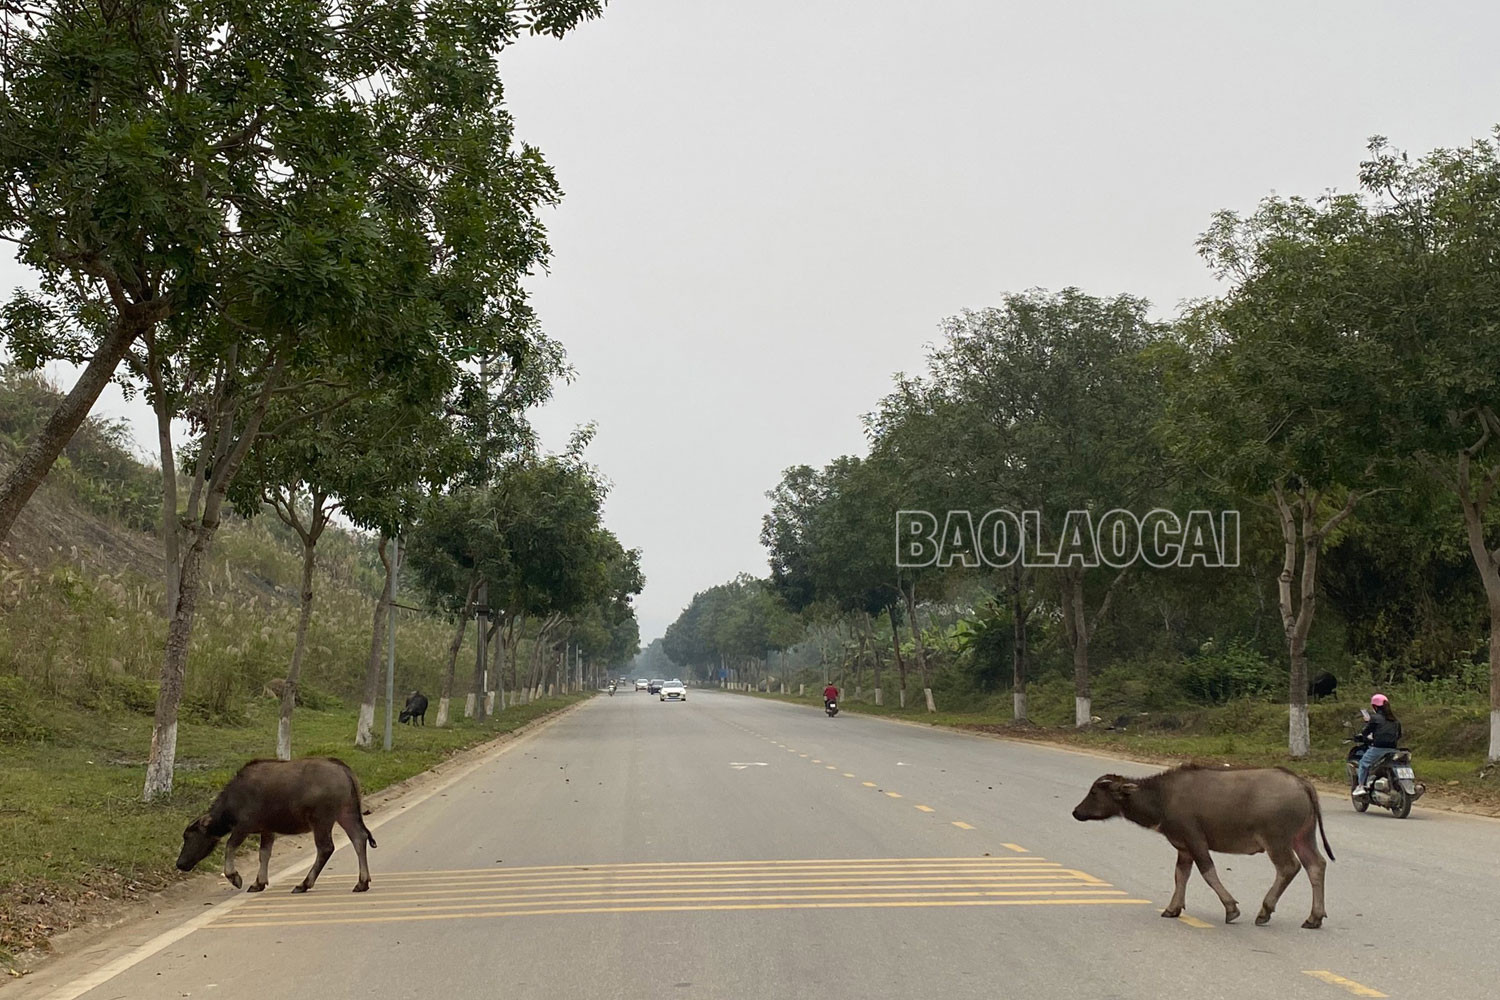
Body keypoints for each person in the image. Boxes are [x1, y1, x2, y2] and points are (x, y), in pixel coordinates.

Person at [1353, 693, 1402, 797]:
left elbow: (1366, 732)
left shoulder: (1375, 718)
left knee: (1363, 763)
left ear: (1374, 706)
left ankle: (1361, 786)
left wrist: (1367, 734)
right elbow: (1399, 735)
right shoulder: (1395, 720)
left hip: (1378, 749)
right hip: (1393, 750)